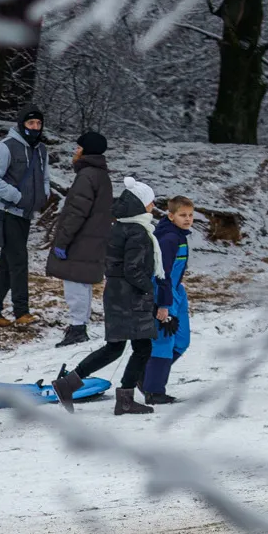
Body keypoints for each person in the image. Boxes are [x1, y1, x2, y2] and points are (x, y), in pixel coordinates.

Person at [54, 178, 166, 417]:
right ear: (140, 205)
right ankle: (124, 398)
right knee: (141, 348)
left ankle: (69, 384)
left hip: (116, 293)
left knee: (116, 347)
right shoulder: (138, 231)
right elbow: (133, 269)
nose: (152, 205)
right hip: (131, 296)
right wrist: (149, 289)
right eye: (149, 201)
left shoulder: (119, 227)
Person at [0, 107, 50, 328]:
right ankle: (22, 312)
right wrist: (16, 196)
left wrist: (44, 195)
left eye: (38, 124)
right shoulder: (5, 147)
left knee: (7, 265)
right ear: (22, 124)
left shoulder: (41, 150)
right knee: (18, 262)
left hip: (25, 215)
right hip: (7, 213)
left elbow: (45, 177)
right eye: (31, 124)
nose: (35, 128)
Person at [46, 132, 115, 347]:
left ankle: (77, 328)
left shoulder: (87, 176)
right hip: (93, 238)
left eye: (78, 148)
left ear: (86, 151)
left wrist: (62, 242)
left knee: (75, 284)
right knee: (82, 283)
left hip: (81, 239)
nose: (75, 151)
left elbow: (76, 212)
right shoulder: (100, 175)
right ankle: (79, 325)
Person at [142, 197, 196, 405]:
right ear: (171, 216)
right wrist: (163, 304)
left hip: (176, 292)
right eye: (183, 215)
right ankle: (154, 390)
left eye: (190, 215)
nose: (188, 219)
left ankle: (147, 375)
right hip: (163, 293)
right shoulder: (169, 239)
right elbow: (161, 273)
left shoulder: (179, 236)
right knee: (164, 341)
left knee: (182, 341)